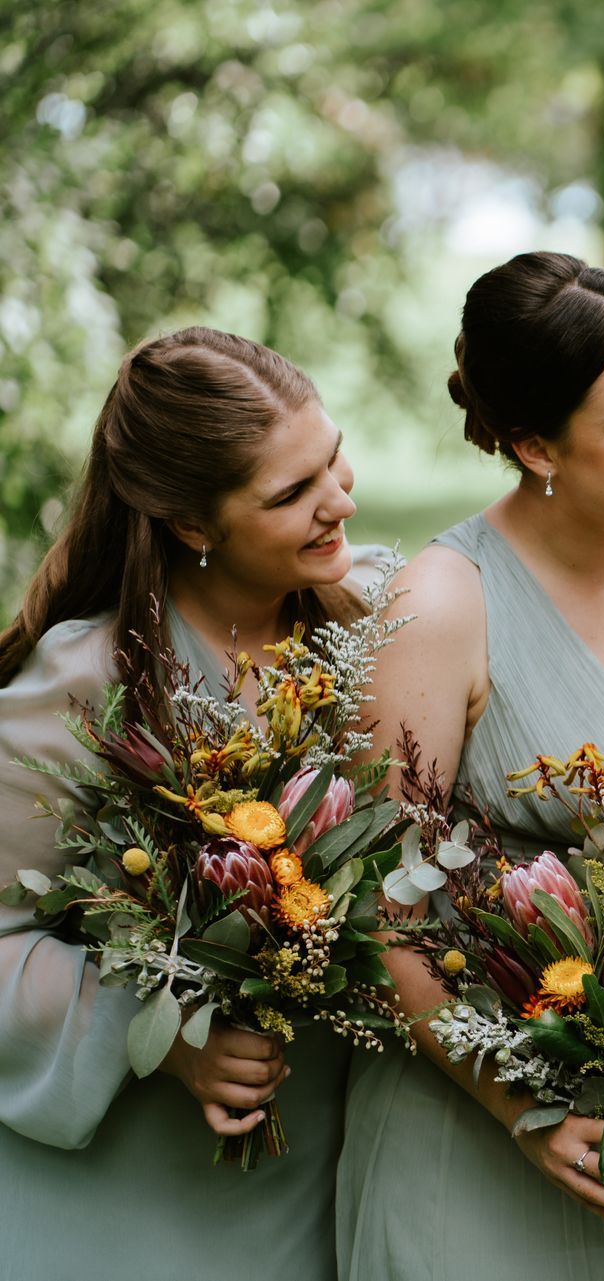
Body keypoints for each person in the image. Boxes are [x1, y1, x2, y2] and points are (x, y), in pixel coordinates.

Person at [333, 252, 604, 1280]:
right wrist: (520, 1105)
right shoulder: (443, 605)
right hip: (492, 1149)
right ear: (535, 444)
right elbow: (379, 907)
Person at [0, 327, 375, 1278]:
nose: (339, 502)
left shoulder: (372, 629)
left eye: (331, 458)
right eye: (291, 494)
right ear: (194, 526)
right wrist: (164, 1039)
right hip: (137, 1187)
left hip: (330, 1152)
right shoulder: (87, 683)